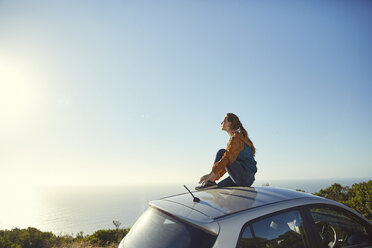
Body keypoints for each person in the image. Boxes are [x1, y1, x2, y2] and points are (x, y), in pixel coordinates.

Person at [196, 113, 257, 190]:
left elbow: (226, 158)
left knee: (222, 153)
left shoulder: (236, 139)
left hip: (245, 177)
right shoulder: (239, 138)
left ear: (230, 123)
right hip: (245, 178)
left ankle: (211, 181)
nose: (221, 123)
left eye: (224, 121)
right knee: (217, 188)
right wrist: (215, 175)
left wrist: (210, 175)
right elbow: (228, 165)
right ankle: (212, 182)